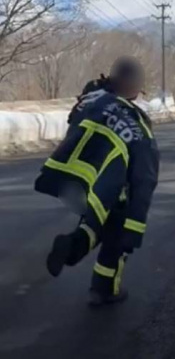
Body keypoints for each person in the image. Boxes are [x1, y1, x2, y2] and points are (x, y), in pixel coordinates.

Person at [36, 56, 160, 306]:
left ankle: (72, 247)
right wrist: (134, 229)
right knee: (117, 239)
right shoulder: (138, 127)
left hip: (79, 182)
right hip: (113, 190)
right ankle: (104, 289)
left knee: (95, 223)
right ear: (135, 88)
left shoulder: (89, 101)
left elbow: (76, 123)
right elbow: (144, 181)